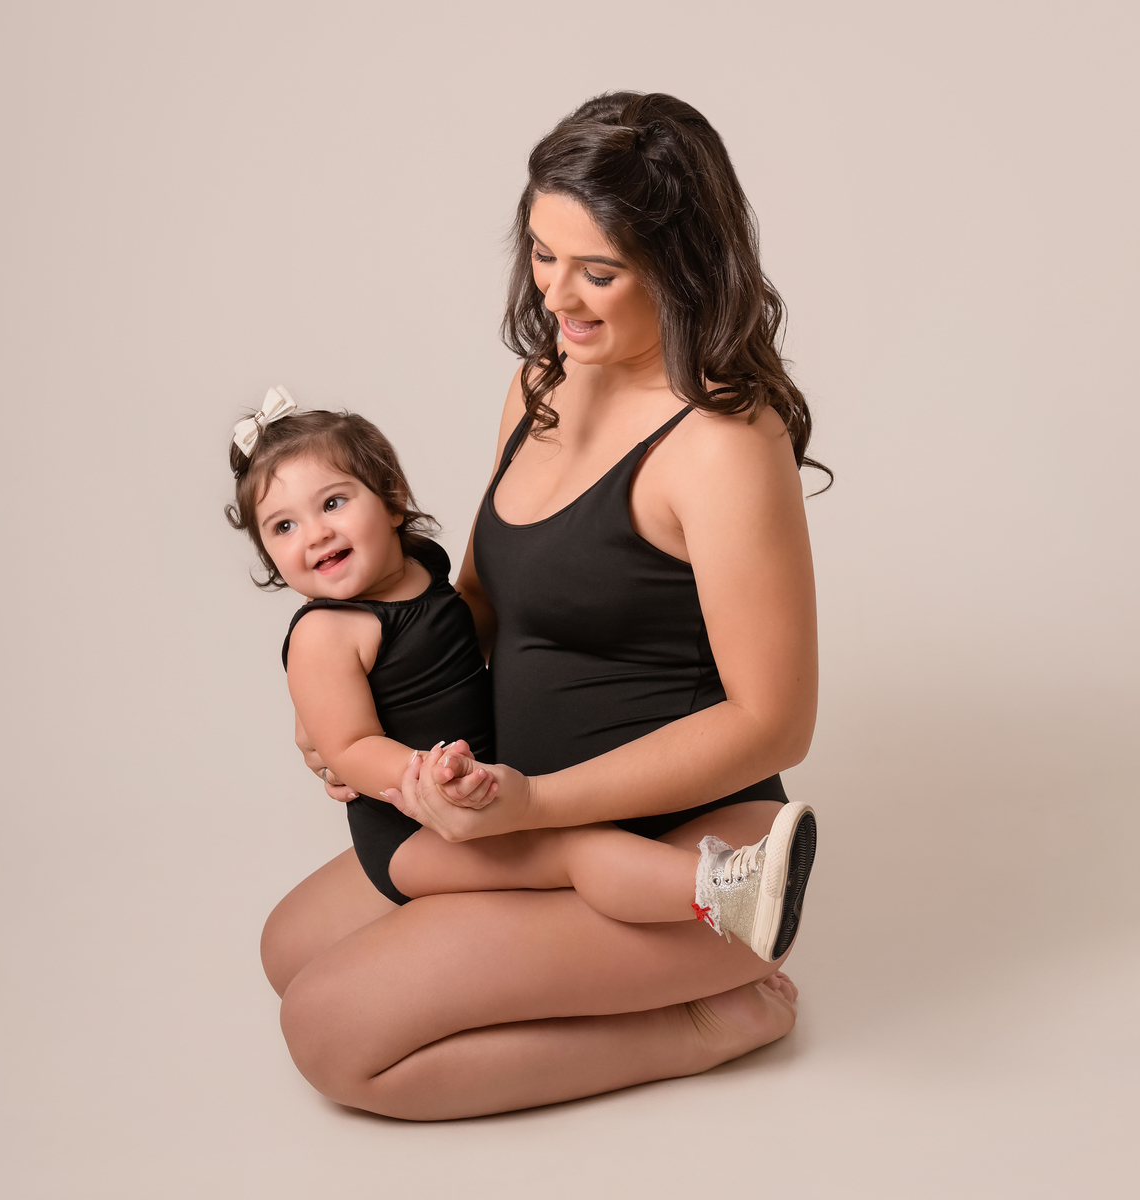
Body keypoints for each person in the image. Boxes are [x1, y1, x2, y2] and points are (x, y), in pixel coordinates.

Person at [259, 90, 826, 1120]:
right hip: (524, 828)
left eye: (597, 272)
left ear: (681, 266)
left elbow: (774, 722)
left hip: (676, 857)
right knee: (287, 951)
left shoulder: (725, 447)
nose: (557, 295)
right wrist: (350, 714)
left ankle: (704, 1021)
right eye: (541, 253)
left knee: (329, 1033)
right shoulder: (543, 386)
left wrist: (539, 806)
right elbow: (480, 604)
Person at [226, 395, 815, 958]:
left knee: (579, 849)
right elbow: (351, 747)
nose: (315, 534)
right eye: (282, 527)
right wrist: (431, 778)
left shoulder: (420, 566)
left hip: (475, 789)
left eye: (332, 503)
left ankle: (708, 923)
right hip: (414, 832)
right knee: (578, 852)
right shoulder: (323, 635)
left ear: (393, 500)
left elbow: (457, 632)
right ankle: (724, 892)